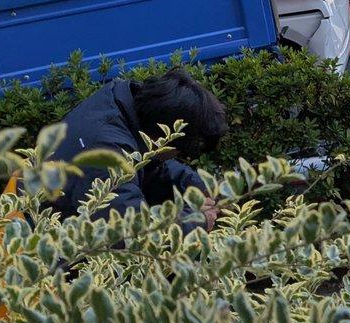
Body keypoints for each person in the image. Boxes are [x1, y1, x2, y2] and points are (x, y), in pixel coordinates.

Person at [50, 67, 230, 224]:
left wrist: (195, 184)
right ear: (165, 136)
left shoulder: (125, 107)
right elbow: (132, 231)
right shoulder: (106, 152)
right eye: (178, 152)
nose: (176, 156)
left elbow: (150, 162)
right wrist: (196, 221)